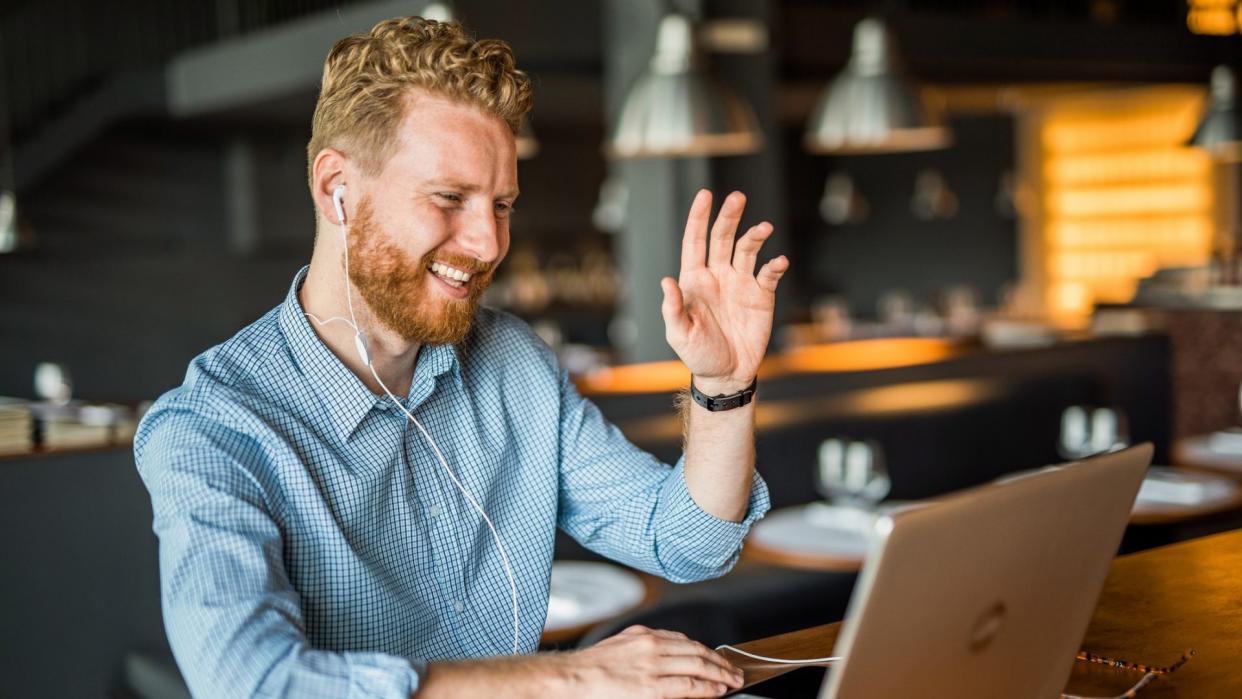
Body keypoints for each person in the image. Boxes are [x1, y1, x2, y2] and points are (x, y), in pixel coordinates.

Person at [134, 16, 789, 698]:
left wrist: (723, 383)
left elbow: (686, 541)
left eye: (502, 204)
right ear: (337, 189)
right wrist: (566, 677)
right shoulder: (213, 427)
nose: (486, 242)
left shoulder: (514, 364)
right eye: (450, 198)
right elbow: (255, 681)